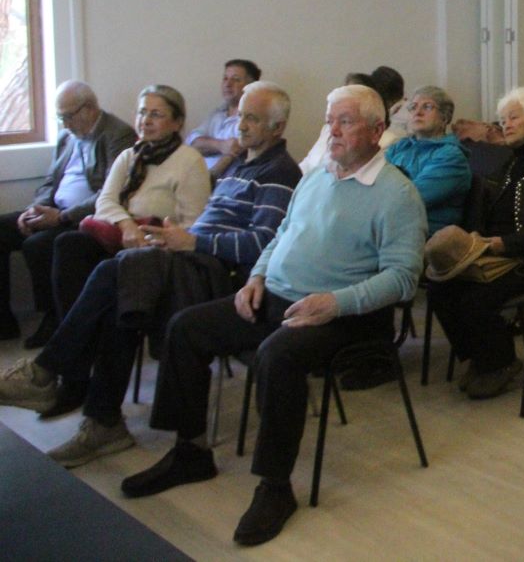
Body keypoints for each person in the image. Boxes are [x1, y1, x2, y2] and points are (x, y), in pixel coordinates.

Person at [114, 84, 425, 546]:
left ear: (377, 130)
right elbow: (281, 235)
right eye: (330, 121)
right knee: (186, 327)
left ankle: (275, 488)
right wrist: (256, 277)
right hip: (278, 296)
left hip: (347, 315)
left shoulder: (396, 194)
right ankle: (190, 451)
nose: (333, 132)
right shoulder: (317, 177)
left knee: (277, 356)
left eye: (345, 122)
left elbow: (402, 279)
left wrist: (334, 303)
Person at [0, 82, 301, 458]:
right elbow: (129, 207)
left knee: (120, 272)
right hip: (189, 259)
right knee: (120, 295)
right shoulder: (240, 166)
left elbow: (262, 243)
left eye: (252, 119)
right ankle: (102, 420)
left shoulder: (279, 172)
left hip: (224, 278)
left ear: (277, 127)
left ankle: (48, 374)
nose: (240, 125)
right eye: (240, 116)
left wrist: (191, 241)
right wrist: (175, 238)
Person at [426, 87, 524, 399]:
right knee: (440, 286)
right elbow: (485, 211)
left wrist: (506, 244)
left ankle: (501, 363)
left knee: (475, 298)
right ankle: (481, 355)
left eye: (514, 118)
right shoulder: (510, 161)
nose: (505, 125)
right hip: (496, 250)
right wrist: (474, 242)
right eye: (503, 119)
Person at [45, 86, 211, 334]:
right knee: (69, 244)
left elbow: (193, 223)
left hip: (157, 245)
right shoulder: (130, 155)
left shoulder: (189, 160)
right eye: (142, 112)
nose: (146, 120)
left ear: (177, 122)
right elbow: (105, 201)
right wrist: (127, 226)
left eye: (156, 114)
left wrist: (149, 236)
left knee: (111, 271)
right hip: (122, 234)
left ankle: (75, 344)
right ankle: (75, 333)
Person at [1, 81, 134, 346]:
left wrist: (62, 217)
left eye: (68, 116)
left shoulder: (118, 135)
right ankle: (4, 321)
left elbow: (111, 193)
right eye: (60, 118)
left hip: (83, 218)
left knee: (38, 244)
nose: (65, 124)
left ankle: (53, 317)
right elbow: (50, 181)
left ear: (89, 108)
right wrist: (34, 210)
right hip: (54, 211)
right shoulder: (67, 137)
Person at [384, 86, 471, 232]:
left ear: (444, 118)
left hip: (422, 234)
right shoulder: (400, 146)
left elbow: (409, 200)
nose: (418, 112)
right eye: (413, 107)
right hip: (390, 225)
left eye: (428, 107)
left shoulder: (451, 156)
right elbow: (374, 181)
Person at [187, 59, 259, 176]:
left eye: (236, 79)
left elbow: (229, 157)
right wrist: (221, 145)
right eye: (225, 78)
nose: (228, 84)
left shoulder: (252, 120)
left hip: (219, 182)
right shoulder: (217, 114)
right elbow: (192, 144)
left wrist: (207, 146)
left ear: (250, 87)